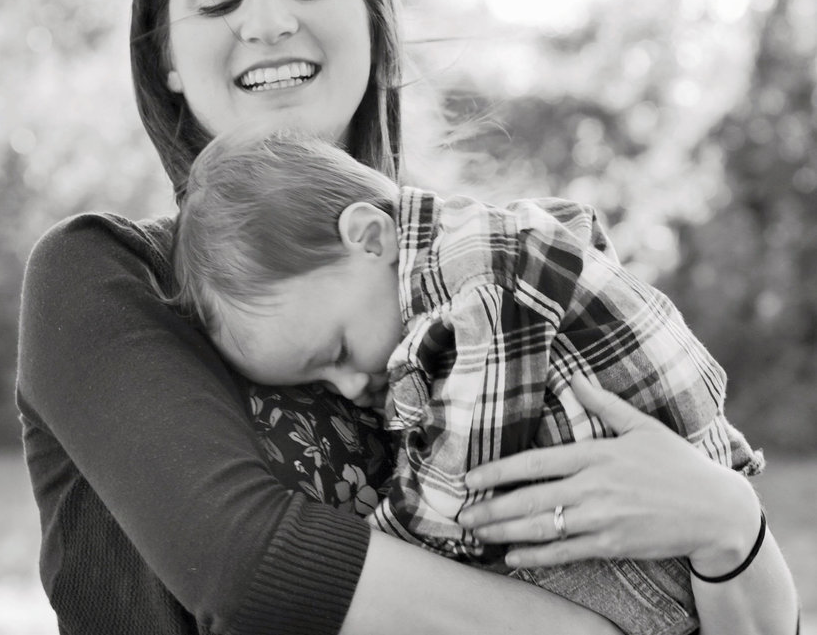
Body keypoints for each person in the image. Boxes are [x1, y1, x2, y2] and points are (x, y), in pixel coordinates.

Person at [15, 0, 801, 635]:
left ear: (371, 20)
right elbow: (252, 566)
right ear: (167, 59)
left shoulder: (506, 271)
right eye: (218, 1)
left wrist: (726, 520)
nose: (270, 21)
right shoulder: (110, 275)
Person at [169, 126, 769, 635]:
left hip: (644, 569)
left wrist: (365, 556)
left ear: (370, 238)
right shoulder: (491, 234)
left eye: (338, 352)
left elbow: (460, 494)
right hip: (678, 534)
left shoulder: (479, 286)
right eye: (322, 383)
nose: (348, 386)